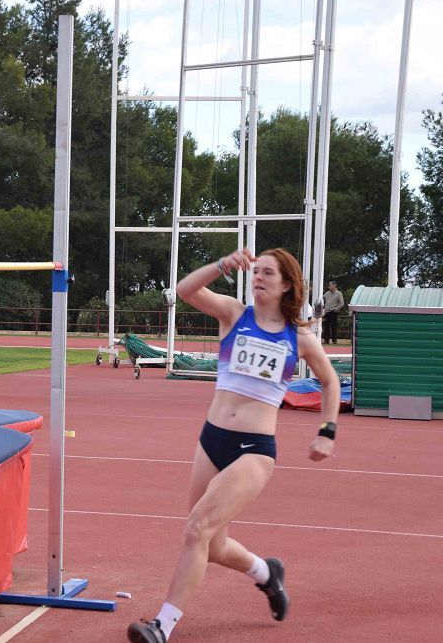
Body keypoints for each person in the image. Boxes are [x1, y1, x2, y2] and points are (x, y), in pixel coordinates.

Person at [127, 248, 340, 643]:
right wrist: (222, 264)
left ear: (287, 284)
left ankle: (162, 626)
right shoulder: (234, 313)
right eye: (255, 271)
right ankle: (266, 573)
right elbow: (186, 290)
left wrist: (327, 432)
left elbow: (329, 381)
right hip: (212, 441)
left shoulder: (299, 337)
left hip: (254, 450)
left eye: (268, 273)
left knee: (196, 530)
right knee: (212, 544)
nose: (258, 277)